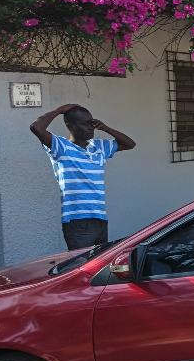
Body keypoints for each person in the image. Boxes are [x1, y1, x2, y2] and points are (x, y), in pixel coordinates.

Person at [30, 103, 136, 250]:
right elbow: (36, 127)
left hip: (100, 218)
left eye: (91, 123)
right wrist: (59, 110)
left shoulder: (98, 147)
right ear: (70, 125)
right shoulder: (61, 147)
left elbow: (130, 144)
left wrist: (106, 128)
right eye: (85, 124)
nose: (90, 127)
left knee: (98, 267)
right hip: (77, 221)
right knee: (80, 265)